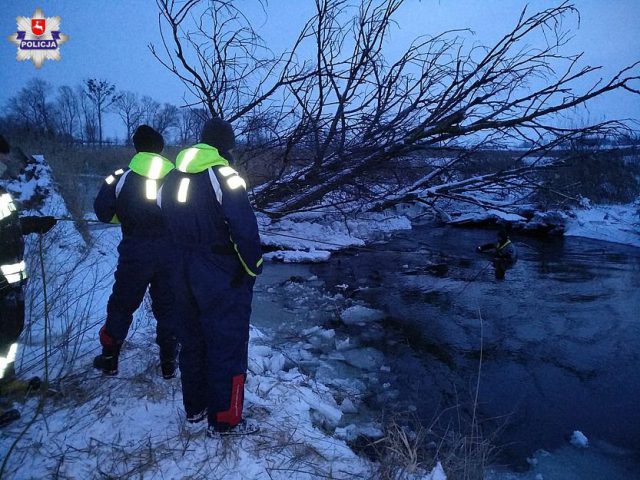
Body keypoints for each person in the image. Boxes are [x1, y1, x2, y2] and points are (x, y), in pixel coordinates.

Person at [158, 118, 263, 436]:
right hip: (218, 271)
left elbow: (161, 213)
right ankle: (226, 420)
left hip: (179, 268)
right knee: (227, 344)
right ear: (225, 146)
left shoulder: (171, 176)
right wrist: (252, 268)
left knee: (192, 340)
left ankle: (196, 408)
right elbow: (244, 229)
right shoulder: (225, 176)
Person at [93, 126, 178, 379]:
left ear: (137, 148)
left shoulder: (120, 177)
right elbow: (188, 216)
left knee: (121, 305)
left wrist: (128, 216)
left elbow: (103, 213)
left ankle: (109, 359)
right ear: (161, 148)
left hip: (134, 253)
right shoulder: (177, 177)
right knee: (169, 308)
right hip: (170, 255)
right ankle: (169, 364)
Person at [0, 134, 56, 426]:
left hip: (9, 281)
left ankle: (5, 382)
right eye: (2, 157)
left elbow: (6, 227)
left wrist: (31, 225)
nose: (6, 163)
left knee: (8, 335)